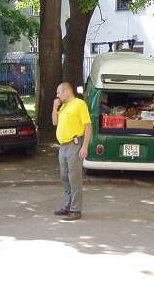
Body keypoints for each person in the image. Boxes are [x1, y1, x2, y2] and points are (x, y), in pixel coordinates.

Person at [52, 82, 92, 221]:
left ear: (66, 91)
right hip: (63, 146)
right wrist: (55, 108)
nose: (57, 95)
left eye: (59, 92)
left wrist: (85, 146)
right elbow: (55, 122)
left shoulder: (79, 104)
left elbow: (88, 126)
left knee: (74, 178)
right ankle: (68, 205)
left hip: (74, 144)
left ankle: (76, 209)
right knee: (64, 177)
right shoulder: (63, 106)